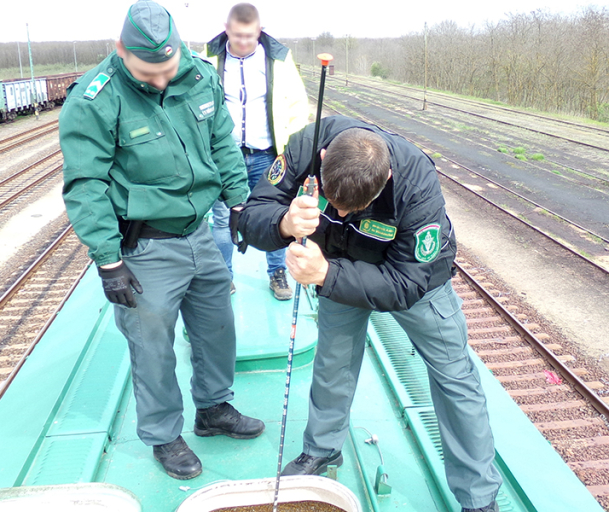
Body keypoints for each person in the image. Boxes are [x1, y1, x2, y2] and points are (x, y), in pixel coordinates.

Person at [238, 115, 503, 512]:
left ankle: (479, 498)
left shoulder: (418, 184)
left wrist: (325, 273)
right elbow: (252, 214)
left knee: (454, 377)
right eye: (335, 204)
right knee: (333, 361)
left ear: (388, 175)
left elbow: (406, 283)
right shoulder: (304, 148)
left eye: (355, 208)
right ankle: (323, 449)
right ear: (323, 159)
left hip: (415, 282)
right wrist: (284, 221)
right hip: (341, 265)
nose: (342, 215)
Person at [59, 0, 265, 481]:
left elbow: (222, 143)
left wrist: (239, 203)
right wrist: (108, 261)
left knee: (217, 326)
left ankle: (214, 408)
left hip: (200, 233)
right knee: (151, 343)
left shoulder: (196, 74)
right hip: (145, 247)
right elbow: (86, 185)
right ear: (120, 51)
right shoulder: (94, 100)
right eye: (147, 73)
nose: (159, 81)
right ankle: (163, 434)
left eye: (167, 70)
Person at [206, 2, 308, 300]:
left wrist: (289, 151)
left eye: (249, 36)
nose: (243, 41)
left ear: (259, 31)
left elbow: (297, 107)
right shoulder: (209, 58)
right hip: (225, 157)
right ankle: (224, 276)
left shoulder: (278, 59)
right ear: (227, 31)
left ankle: (277, 274)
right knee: (223, 219)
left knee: (273, 216)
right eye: (237, 35)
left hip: (267, 155)